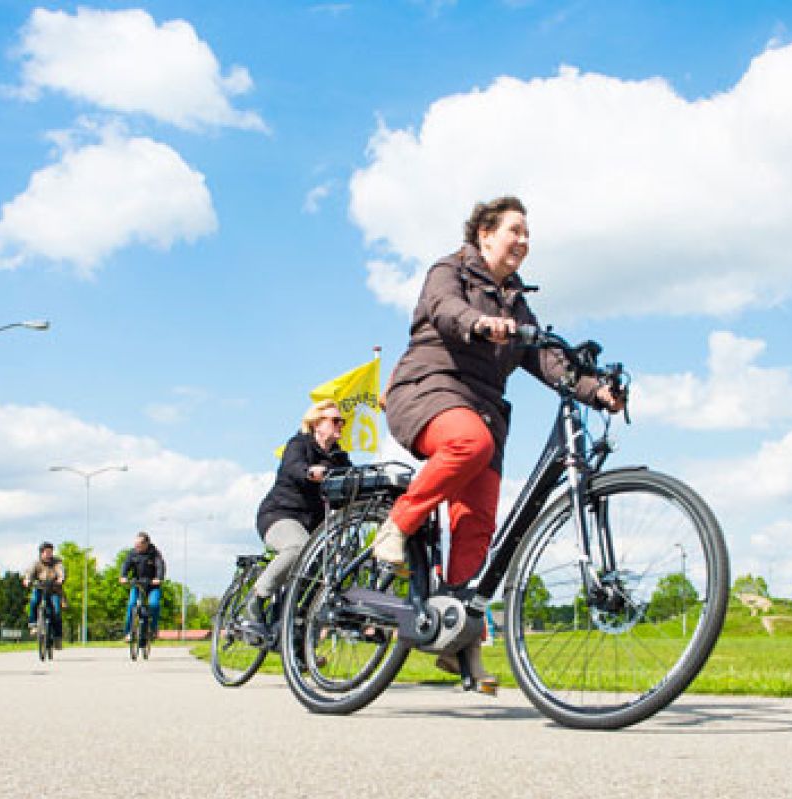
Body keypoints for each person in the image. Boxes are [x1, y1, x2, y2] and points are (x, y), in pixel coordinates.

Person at [374, 196, 625, 691]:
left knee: (478, 526)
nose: (524, 242)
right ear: (485, 233)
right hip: (427, 390)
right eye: (516, 230)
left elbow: (548, 362)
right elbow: (444, 310)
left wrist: (596, 391)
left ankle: (457, 643)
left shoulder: (516, 301)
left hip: (485, 417)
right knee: (469, 443)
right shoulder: (450, 270)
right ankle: (394, 528)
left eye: (528, 235)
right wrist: (479, 322)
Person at [244, 400, 352, 636]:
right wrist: (310, 472)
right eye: (334, 420)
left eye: (341, 421)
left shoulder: (340, 459)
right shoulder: (299, 444)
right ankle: (255, 598)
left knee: (325, 569)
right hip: (279, 515)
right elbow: (293, 468)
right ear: (316, 423)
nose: (340, 425)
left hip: (314, 526)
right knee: (298, 547)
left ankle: (296, 638)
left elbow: (352, 484)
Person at [119, 532, 166, 639]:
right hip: (137, 584)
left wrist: (159, 578)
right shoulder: (132, 553)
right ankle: (128, 632)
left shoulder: (155, 554)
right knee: (131, 605)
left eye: (139, 545)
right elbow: (126, 564)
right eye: (135, 545)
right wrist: (123, 576)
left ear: (146, 544)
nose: (136, 547)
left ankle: (153, 629)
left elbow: (160, 566)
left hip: (152, 585)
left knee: (154, 604)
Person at [23, 541, 66, 645]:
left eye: (50, 552)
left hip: (53, 590)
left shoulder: (57, 562)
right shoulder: (36, 563)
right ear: (41, 553)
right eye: (46, 552)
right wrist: (27, 580)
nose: (49, 554)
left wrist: (61, 578)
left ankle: (57, 638)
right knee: (34, 601)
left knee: (56, 611)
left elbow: (61, 571)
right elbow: (29, 573)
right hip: (40, 588)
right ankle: (33, 625)